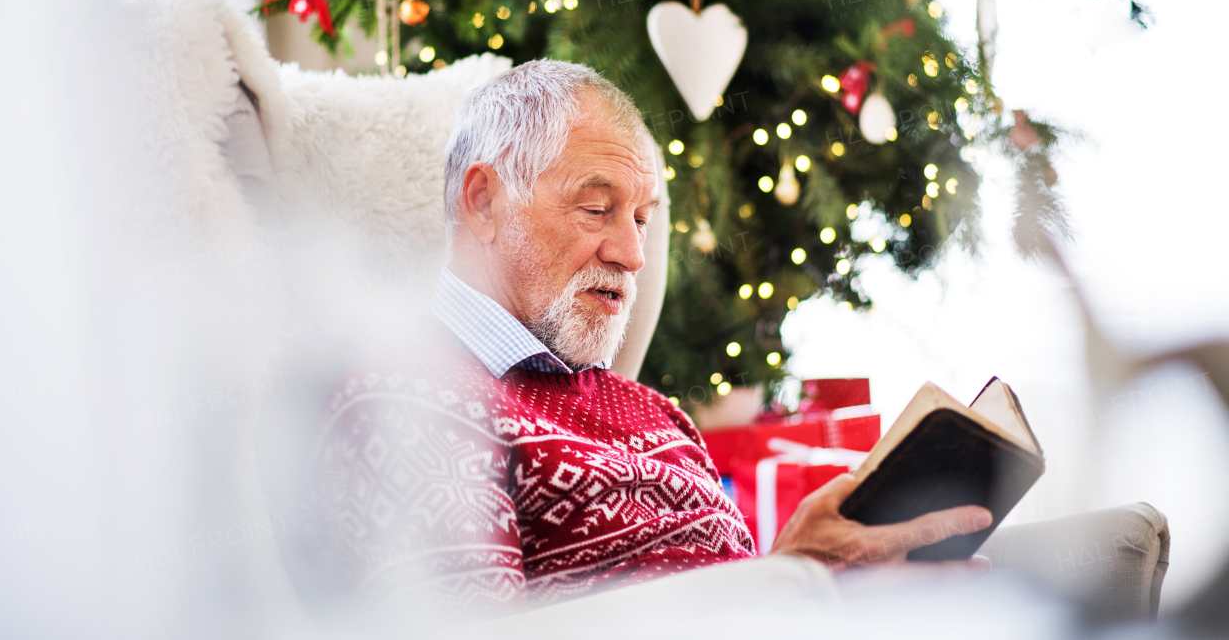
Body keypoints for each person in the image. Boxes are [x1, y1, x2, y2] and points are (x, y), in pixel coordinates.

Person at [309, 60, 991, 613]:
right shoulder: (405, 399)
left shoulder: (654, 413)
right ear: (484, 201)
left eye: (641, 217)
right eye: (598, 208)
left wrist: (834, 589)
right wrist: (787, 588)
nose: (634, 254)